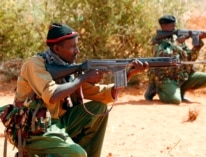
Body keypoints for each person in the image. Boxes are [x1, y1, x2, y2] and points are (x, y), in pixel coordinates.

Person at [11, 23, 148, 157]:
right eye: (73, 47)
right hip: (33, 129)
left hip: (59, 122)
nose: (77, 51)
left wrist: (128, 74)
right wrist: (84, 78)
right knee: (77, 154)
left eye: (77, 46)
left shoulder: (68, 67)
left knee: (99, 108)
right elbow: (51, 95)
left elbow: (103, 94)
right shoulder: (34, 64)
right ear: (57, 48)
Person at [144, 14, 206, 104]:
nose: (175, 27)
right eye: (172, 25)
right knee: (175, 100)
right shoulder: (157, 41)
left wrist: (197, 44)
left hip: (181, 76)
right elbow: (164, 56)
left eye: (175, 25)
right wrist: (176, 43)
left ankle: (180, 91)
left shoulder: (176, 38)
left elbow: (189, 58)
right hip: (165, 78)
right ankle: (157, 89)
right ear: (163, 26)